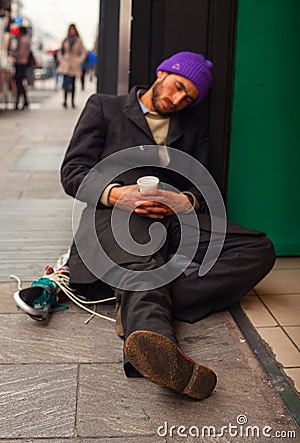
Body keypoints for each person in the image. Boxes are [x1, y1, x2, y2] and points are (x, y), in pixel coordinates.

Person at [61, 52, 275, 400]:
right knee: (145, 264)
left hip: (172, 221)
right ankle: (157, 346)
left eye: (187, 98)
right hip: (114, 217)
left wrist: (186, 200)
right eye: (177, 87)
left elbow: (208, 188)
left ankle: (135, 301)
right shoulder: (104, 107)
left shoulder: (191, 128)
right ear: (162, 72)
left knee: (258, 248)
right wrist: (116, 195)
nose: (177, 100)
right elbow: (72, 172)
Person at [57, 24, 86, 109]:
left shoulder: (78, 41)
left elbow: (83, 52)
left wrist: (78, 60)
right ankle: (65, 101)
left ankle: (72, 101)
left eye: (73, 29)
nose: (71, 31)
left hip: (74, 64)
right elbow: (60, 51)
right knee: (65, 83)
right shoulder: (65, 40)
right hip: (65, 64)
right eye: (70, 29)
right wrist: (61, 59)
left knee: (73, 83)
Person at [13, 26, 31, 110]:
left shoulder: (23, 40)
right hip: (23, 62)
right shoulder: (26, 39)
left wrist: (13, 54)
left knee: (19, 82)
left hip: (21, 62)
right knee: (20, 82)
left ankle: (21, 101)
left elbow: (20, 53)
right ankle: (24, 101)